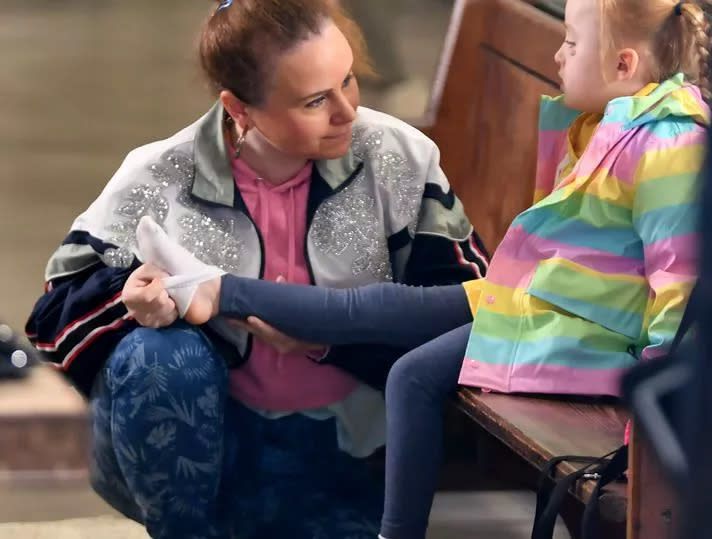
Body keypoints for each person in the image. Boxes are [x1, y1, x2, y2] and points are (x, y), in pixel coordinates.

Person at [128, 0, 712, 537]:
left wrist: (656, 404)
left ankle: (212, 289)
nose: (557, 55)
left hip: (579, 335)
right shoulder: (619, 124)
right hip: (543, 309)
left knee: (388, 337)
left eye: (570, 42)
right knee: (388, 335)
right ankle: (211, 287)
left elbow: (681, 283)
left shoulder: (668, 143)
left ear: (622, 63)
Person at [24, 1, 487, 537]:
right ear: (239, 109)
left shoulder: (399, 157)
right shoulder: (158, 174)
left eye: (349, 81)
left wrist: (327, 342)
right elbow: (53, 312)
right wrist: (130, 300)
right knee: (161, 355)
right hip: (210, 448)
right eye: (316, 100)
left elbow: (467, 311)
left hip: (350, 450)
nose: (347, 112)